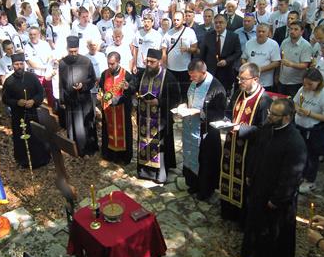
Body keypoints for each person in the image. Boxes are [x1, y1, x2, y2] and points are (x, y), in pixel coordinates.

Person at [240, 97, 307, 257]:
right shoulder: (268, 128)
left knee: (272, 232)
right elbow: (256, 151)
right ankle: (251, 255)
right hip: (259, 187)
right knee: (254, 223)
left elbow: (292, 176)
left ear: (287, 117)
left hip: (275, 196)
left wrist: (278, 198)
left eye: (274, 115)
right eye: (270, 113)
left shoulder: (295, 142)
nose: (269, 117)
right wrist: (249, 173)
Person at [219, 63, 273, 223]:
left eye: (243, 79)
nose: (239, 82)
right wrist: (225, 122)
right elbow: (228, 112)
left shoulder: (264, 101)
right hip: (232, 143)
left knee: (244, 183)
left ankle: (241, 217)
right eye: (238, 78)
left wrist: (241, 130)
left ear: (255, 79)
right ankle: (228, 210)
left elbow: (264, 131)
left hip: (249, 150)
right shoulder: (238, 93)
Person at [179, 60, 227, 200]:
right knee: (191, 156)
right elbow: (189, 98)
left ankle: (205, 190)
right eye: (190, 76)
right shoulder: (195, 82)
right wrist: (184, 106)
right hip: (191, 128)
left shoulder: (217, 88)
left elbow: (219, 114)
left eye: (193, 76)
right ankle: (193, 184)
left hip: (206, 133)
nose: (191, 79)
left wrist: (198, 112)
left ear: (203, 73)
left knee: (205, 161)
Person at [134, 48, 180, 183]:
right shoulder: (142, 74)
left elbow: (176, 99)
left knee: (159, 146)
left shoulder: (168, 77)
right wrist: (129, 88)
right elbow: (135, 88)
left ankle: (158, 175)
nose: (148, 64)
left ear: (159, 62)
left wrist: (159, 102)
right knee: (143, 144)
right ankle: (144, 171)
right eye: (147, 61)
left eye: (152, 62)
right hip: (143, 118)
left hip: (161, 120)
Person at [2, 53, 51, 169]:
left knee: (36, 136)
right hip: (18, 115)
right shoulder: (9, 81)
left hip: (33, 113)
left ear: (24, 64)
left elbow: (41, 92)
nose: (19, 66)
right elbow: (5, 99)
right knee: (22, 138)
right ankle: (23, 160)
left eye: (20, 64)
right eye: (16, 64)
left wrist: (34, 101)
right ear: (12, 65)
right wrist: (16, 102)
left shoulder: (32, 77)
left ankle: (41, 159)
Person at [293, 69, 324, 193]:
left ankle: (310, 180)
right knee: (300, 153)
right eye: (305, 83)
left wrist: (310, 113)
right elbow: (295, 102)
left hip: (314, 130)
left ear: (319, 82)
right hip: (300, 126)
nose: (306, 86)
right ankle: (300, 174)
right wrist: (298, 109)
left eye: (310, 84)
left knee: (312, 156)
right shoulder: (302, 90)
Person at [59, 36, 98, 156]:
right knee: (74, 125)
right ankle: (76, 149)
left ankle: (89, 148)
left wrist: (83, 85)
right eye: (71, 52)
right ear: (67, 49)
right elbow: (61, 83)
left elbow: (92, 80)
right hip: (71, 100)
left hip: (85, 99)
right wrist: (62, 99)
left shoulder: (86, 61)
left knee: (87, 123)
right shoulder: (63, 63)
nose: (73, 54)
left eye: (75, 51)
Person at [97, 52, 135, 164]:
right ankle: (109, 155)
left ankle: (123, 157)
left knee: (123, 133)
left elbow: (133, 90)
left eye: (112, 64)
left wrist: (128, 88)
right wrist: (100, 95)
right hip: (108, 111)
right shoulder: (104, 74)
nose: (110, 66)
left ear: (118, 62)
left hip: (122, 111)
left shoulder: (126, 75)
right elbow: (101, 88)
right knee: (108, 132)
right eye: (108, 63)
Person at [200, 14, 242, 93]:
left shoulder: (233, 36)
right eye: (216, 23)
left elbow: (238, 52)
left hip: (226, 72)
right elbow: (202, 54)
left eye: (221, 22)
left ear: (226, 23)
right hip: (210, 72)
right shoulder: (208, 36)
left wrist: (227, 61)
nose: (218, 24)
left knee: (223, 95)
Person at [163, 10, 198, 100]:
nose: (175, 22)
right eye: (174, 20)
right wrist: (164, 65)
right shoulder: (168, 33)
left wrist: (187, 49)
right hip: (171, 69)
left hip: (185, 69)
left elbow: (196, 49)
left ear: (183, 20)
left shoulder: (190, 32)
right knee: (172, 92)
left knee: (185, 92)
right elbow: (164, 51)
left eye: (178, 20)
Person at [279, 21, 313, 97]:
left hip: (296, 83)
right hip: (282, 80)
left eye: (295, 29)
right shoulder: (285, 42)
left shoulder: (306, 46)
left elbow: (305, 65)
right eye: (291, 29)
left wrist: (291, 64)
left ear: (302, 32)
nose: (292, 31)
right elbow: (280, 58)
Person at [243, 24, 281, 92]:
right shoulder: (249, 43)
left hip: (266, 82)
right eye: (259, 31)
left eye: (263, 31)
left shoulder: (273, 44)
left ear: (268, 33)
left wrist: (259, 69)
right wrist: (247, 69)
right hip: (250, 81)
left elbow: (276, 63)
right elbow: (243, 58)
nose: (260, 33)